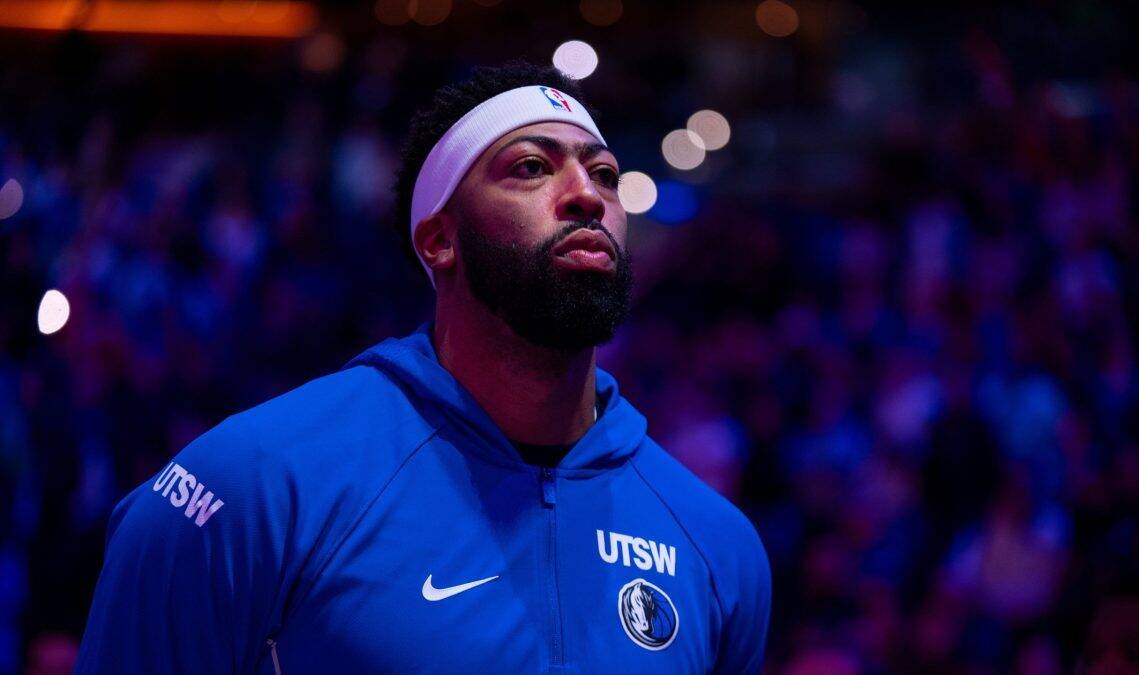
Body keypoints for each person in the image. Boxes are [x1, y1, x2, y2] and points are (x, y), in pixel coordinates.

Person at [74, 60, 771, 674]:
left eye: (605, 174)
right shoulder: (254, 484)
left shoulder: (717, 546)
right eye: (532, 167)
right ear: (439, 240)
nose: (587, 194)